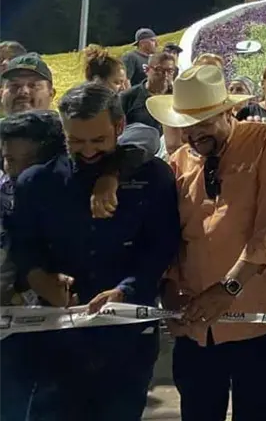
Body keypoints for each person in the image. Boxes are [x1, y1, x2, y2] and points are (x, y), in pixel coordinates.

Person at [10, 83, 180, 420]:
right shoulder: (36, 183)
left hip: (126, 344)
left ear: (118, 127)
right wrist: (40, 279)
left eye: (98, 141)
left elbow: (161, 248)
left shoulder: (153, 178)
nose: (88, 152)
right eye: (77, 141)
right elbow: (24, 247)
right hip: (55, 344)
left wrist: (126, 290)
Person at [146, 64, 266, 420]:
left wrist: (227, 289)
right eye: (186, 125)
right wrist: (169, 295)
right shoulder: (177, 162)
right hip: (194, 328)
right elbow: (169, 239)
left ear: (230, 110)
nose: (194, 134)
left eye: (204, 123)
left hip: (254, 325)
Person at [0, 110, 66, 419]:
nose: (11, 171)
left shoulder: (77, 193)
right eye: (7, 160)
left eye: (20, 162)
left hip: (64, 332)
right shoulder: (6, 193)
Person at [120, 51, 178, 135]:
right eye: (158, 70)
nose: (165, 75)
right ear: (147, 70)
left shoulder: (177, 96)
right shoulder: (128, 96)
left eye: (170, 71)